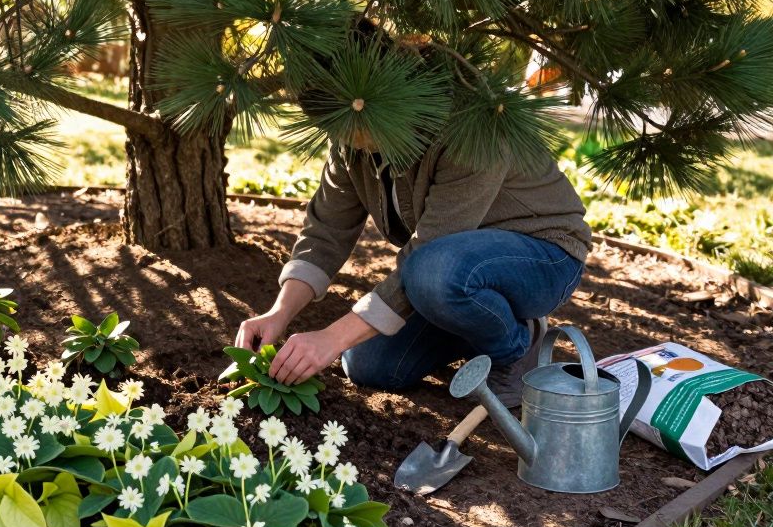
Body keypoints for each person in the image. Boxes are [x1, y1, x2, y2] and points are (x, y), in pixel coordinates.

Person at [236, 132, 593, 406]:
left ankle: (516, 345)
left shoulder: (467, 127)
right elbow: (326, 230)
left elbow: (429, 250)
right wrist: (279, 313)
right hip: (450, 269)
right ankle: (477, 325)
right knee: (367, 365)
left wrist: (331, 337)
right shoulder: (351, 137)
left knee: (433, 272)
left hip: (543, 253)